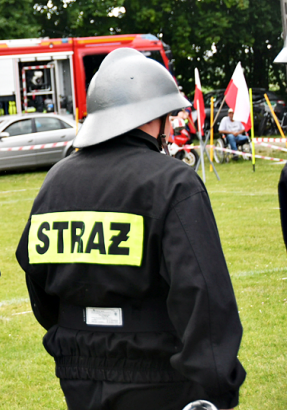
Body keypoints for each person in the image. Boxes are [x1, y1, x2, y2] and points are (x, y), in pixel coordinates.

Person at [15, 48, 245, 410]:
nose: (169, 127)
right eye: (167, 116)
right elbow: (202, 293)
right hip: (160, 371)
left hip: (77, 370)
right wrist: (218, 388)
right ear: (151, 116)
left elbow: (37, 279)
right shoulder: (173, 182)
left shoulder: (55, 180)